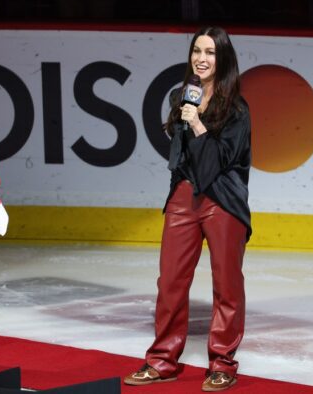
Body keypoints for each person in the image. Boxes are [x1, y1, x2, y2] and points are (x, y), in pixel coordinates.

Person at [124, 26, 251, 392]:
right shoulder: (183, 96)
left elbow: (218, 162)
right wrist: (186, 117)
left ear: (223, 59)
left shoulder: (237, 110)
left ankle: (223, 363)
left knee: (226, 286)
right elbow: (177, 153)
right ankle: (162, 359)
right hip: (184, 196)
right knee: (170, 283)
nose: (202, 58)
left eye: (210, 52)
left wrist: (196, 123)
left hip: (222, 200)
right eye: (197, 50)